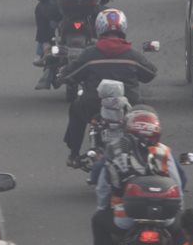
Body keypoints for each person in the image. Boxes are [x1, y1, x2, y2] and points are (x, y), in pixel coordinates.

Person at [92, 109, 181, 245]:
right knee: (181, 228)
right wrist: (176, 210)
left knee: (98, 220)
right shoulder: (164, 153)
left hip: (124, 219)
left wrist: (103, 208)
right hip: (164, 218)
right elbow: (177, 184)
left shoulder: (115, 150)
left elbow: (103, 187)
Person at [59, 8, 155, 161]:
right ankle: (149, 155)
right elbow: (150, 74)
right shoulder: (133, 54)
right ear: (123, 28)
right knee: (149, 116)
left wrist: (63, 76)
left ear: (99, 28)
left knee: (75, 109)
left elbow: (70, 75)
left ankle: (74, 154)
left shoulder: (89, 54)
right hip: (129, 105)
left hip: (94, 104)